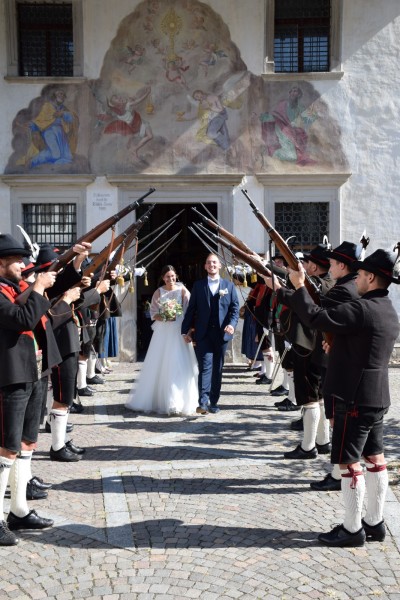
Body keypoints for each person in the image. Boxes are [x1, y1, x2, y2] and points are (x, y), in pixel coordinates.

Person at [286, 247, 400, 547]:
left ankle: (352, 529)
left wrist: (299, 286)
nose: (356, 279)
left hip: (353, 397)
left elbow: (315, 317)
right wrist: (336, 347)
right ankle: (374, 523)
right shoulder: (388, 309)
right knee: (375, 460)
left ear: (371, 277)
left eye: (360, 274)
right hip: (375, 396)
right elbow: (361, 345)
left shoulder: (362, 308)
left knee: (350, 465)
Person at [0, 234, 59, 546]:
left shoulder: (16, 287)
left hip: (32, 372)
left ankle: (18, 510)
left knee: (26, 444)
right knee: (6, 449)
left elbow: (41, 305)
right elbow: (21, 317)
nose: (23, 265)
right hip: (10, 376)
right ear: (1, 262)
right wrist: (36, 288)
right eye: (16, 260)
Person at [126, 265, 198, 416]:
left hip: (179, 329)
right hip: (164, 331)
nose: (170, 279)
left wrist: (189, 329)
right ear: (163, 278)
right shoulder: (158, 292)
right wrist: (165, 316)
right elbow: (152, 313)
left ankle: (180, 400)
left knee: (179, 362)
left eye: (172, 276)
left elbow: (191, 310)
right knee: (162, 362)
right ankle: (162, 399)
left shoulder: (183, 290)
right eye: (167, 277)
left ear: (176, 276)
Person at [181, 254, 239, 414]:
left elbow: (234, 309)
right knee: (205, 367)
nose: (211, 265)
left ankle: (214, 401)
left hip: (221, 335)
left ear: (219, 265)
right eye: (208, 263)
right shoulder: (198, 286)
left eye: (214, 262)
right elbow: (191, 309)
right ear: (205, 266)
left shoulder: (229, 286)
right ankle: (203, 402)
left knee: (217, 368)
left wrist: (232, 325)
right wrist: (185, 331)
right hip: (203, 334)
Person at [259, 85, 317, 165]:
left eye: (295, 91)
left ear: (299, 95)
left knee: (302, 136)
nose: (293, 93)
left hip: (293, 131)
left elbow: (308, 118)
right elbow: (276, 116)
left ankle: (288, 152)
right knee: (293, 157)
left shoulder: (300, 107)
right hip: (282, 129)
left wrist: (312, 115)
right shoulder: (283, 105)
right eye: (292, 91)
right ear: (289, 94)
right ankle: (273, 153)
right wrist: (265, 117)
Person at [26, 90, 78, 168]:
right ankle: (33, 161)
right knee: (56, 155)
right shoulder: (47, 106)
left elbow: (71, 119)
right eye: (59, 94)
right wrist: (33, 125)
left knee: (67, 157)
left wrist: (63, 114)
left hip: (61, 133)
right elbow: (41, 120)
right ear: (55, 96)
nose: (61, 96)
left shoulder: (63, 109)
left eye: (63, 95)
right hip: (49, 132)